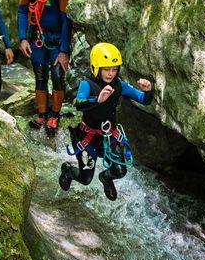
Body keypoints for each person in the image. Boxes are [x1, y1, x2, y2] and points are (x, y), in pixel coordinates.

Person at [59, 43, 153, 201]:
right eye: (106, 69)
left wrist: (148, 90)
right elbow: (78, 103)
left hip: (110, 135)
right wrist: (98, 99)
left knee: (120, 170)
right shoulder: (87, 84)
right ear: (96, 67)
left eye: (114, 69)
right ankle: (68, 170)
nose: (110, 73)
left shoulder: (119, 85)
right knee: (85, 179)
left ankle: (106, 178)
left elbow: (143, 99)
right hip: (88, 136)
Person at [17, 0, 72, 133]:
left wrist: (64, 51)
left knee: (57, 76)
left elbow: (67, 20)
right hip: (38, 38)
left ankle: (55, 115)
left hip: (57, 39)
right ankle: (42, 114)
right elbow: (23, 11)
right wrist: (23, 38)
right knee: (40, 75)